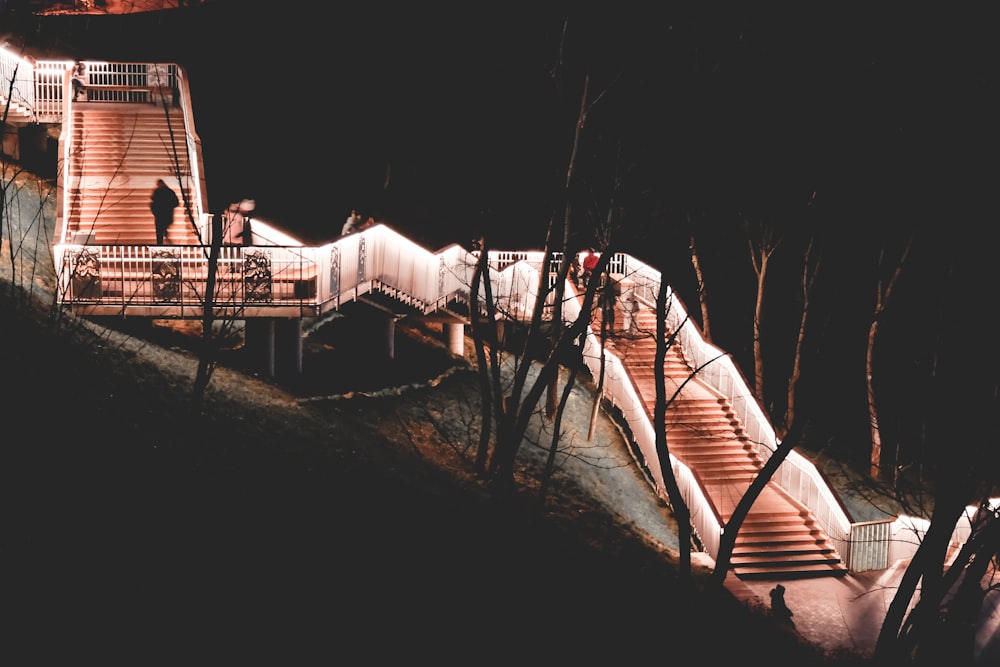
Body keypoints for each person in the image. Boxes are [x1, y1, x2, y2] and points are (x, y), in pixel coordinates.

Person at [150, 178, 179, 245]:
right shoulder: (170, 192)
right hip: (167, 215)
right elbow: (176, 203)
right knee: (163, 228)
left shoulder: (157, 192)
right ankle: (166, 236)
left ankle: (160, 244)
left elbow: (153, 201)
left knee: (159, 232)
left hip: (159, 215)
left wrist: (155, 211)